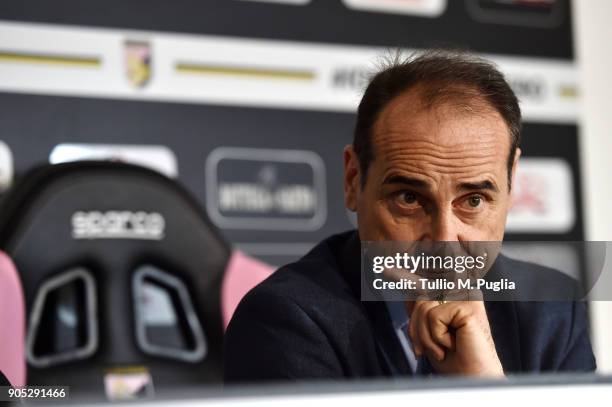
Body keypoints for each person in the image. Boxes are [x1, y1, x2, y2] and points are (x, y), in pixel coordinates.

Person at [224, 50, 596, 382]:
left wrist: (484, 386)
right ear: (354, 180)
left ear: (512, 183)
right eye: (409, 198)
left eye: (474, 201)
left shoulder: (552, 309)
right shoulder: (285, 321)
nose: (445, 242)